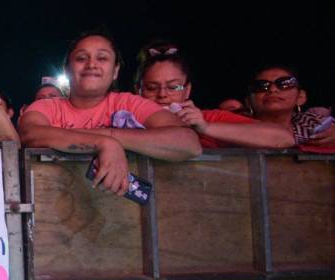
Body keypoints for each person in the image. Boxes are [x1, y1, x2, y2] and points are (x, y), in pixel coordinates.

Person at [18, 31, 201, 196]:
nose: (91, 65)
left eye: (102, 58)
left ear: (115, 71)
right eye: (81, 58)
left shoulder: (130, 103)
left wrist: (113, 137)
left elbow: (188, 142)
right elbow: (30, 133)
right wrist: (104, 144)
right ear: (67, 69)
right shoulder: (47, 106)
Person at [134, 45, 293, 149]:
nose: (162, 95)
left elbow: (283, 138)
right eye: (151, 88)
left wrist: (206, 128)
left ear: (187, 90)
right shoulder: (124, 120)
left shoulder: (209, 118)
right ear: (138, 90)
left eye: (173, 87)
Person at [246, 66, 335, 150]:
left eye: (285, 83)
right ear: (249, 101)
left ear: (300, 97)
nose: (273, 90)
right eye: (261, 86)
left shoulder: (313, 122)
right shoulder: (238, 124)